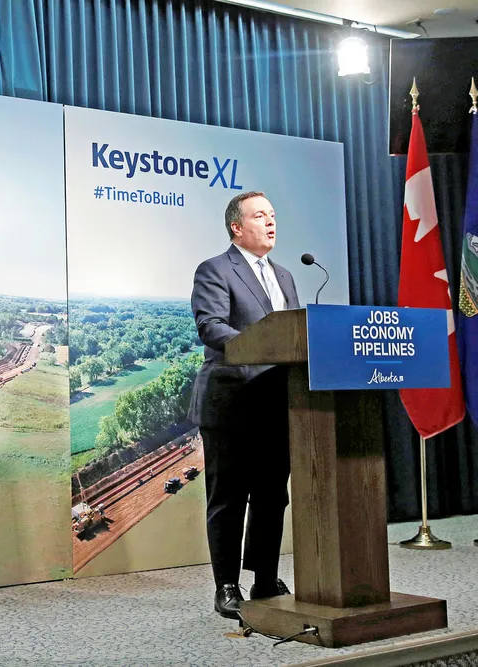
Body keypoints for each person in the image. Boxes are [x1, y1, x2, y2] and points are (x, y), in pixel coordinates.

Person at [188, 191, 300, 620]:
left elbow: (293, 332)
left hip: (276, 401)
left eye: (273, 215)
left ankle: (265, 578)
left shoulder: (285, 275)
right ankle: (226, 585)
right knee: (229, 497)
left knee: (272, 496)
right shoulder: (215, 269)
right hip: (230, 401)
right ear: (236, 226)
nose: (271, 222)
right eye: (259, 216)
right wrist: (262, 348)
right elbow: (211, 326)